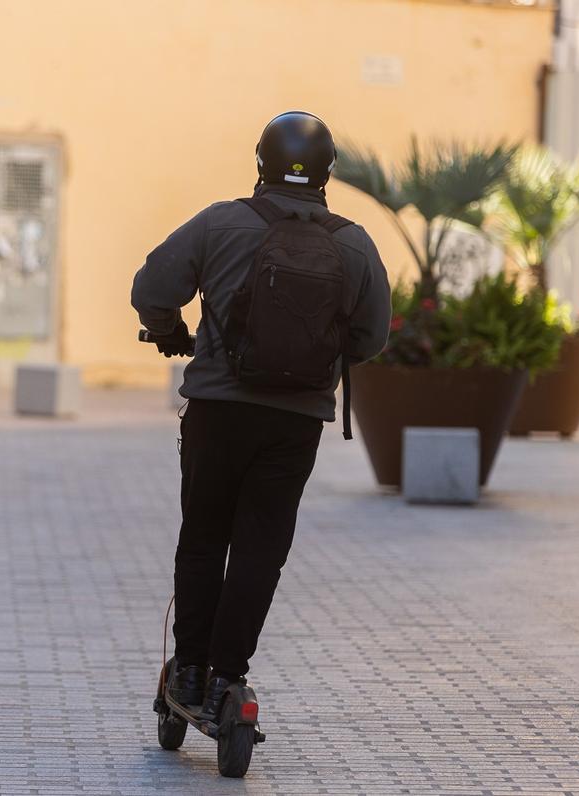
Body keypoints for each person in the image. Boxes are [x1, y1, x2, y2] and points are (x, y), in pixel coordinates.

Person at [131, 111, 391, 715]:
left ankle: (189, 673)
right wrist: (318, 359)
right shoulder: (353, 243)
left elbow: (152, 290)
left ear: (260, 164)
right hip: (295, 423)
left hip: (218, 411)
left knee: (202, 541)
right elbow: (372, 336)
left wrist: (170, 330)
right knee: (259, 550)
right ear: (328, 171)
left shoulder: (220, 223)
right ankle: (228, 679)